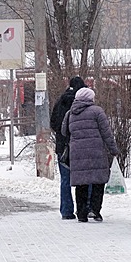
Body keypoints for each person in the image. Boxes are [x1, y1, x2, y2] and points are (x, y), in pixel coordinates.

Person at [62, 87, 119, 222]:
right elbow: (106, 133)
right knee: (98, 182)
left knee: (81, 184)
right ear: (90, 98)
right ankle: (95, 210)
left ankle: (81, 214)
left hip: (77, 153)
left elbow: (64, 132)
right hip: (96, 152)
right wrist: (113, 149)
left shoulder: (70, 113)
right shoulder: (97, 111)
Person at [50, 76, 87, 220]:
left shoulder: (61, 101)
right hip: (81, 146)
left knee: (65, 180)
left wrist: (62, 135)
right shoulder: (84, 103)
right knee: (84, 178)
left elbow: (53, 123)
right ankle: (85, 209)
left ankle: (66, 211)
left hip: (63, 147)